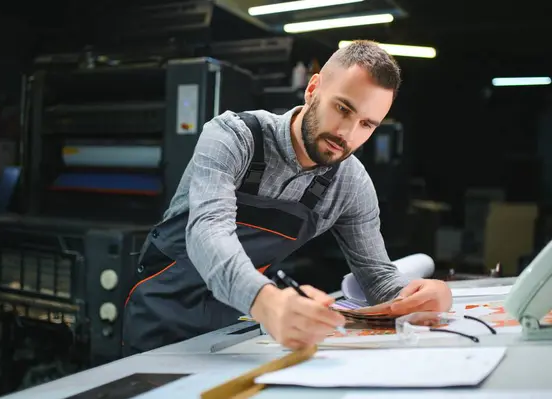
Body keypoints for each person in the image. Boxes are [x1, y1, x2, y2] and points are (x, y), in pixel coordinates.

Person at [122, 40, 452, 356]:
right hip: (161, 320)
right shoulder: (233, 137)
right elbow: (208, 233)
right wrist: (268, 302)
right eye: (342, 108)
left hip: (233, 330)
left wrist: (418, 297)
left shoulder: (350, 183)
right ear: (313, 90)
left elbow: (378, 280)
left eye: (367, 124)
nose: (347, 134)